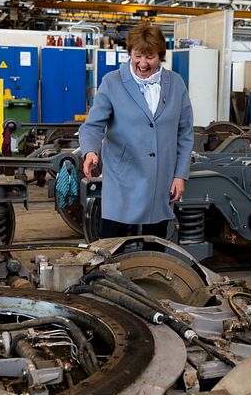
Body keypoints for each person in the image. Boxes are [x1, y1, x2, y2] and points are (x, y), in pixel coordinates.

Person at [79, 22, 194, 239]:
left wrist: (180, 175)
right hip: (123, 179)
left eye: (149, 57)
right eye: (137, 55)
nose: (143, 63)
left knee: (156, 245)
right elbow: (92, 126)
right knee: (114, 245)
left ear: (160, 55)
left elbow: (185, 134)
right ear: (130, 53)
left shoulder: (176, 84)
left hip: (162, 180)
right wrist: (91, 152)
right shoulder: (112, 83)